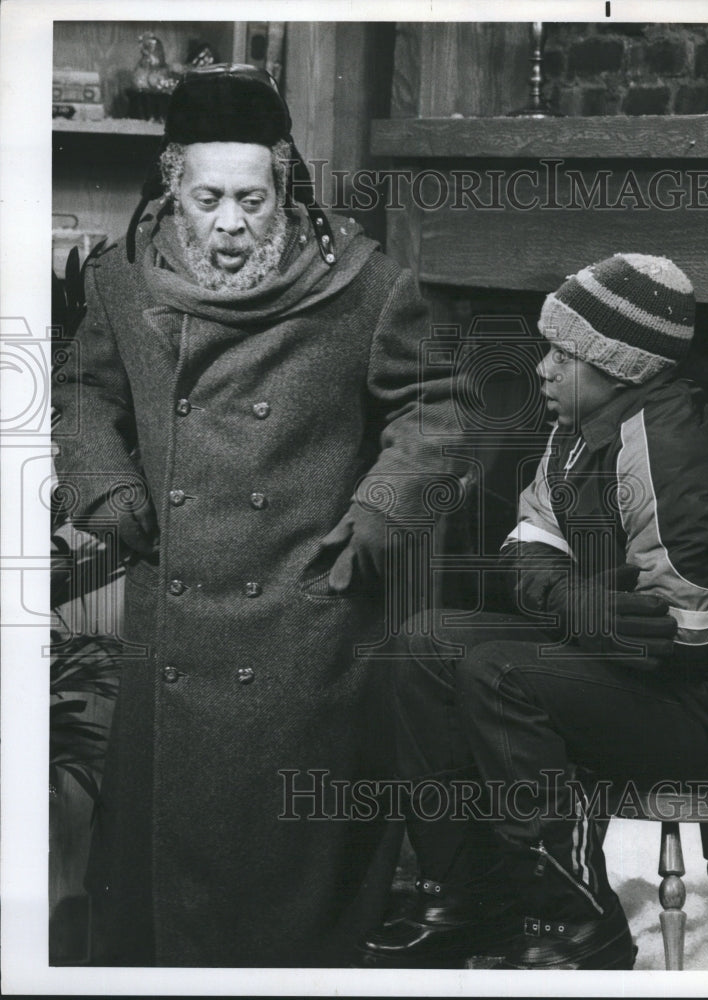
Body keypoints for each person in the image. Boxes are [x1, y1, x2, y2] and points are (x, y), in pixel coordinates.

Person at [52, 64, 463, 967]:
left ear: (284, 184)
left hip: (305, 618)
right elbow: (83, 394)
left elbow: (438, 410)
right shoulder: (123, 283)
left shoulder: (366, 286)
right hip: (177, 615)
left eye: (251, 196)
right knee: (166, 909)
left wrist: (382, 511)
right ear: (172, 185)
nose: (231, 225)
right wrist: (107, 486)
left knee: (287, 900)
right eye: (208, 198)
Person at [356, 253, 708, 970]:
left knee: (498, 670)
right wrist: (572, 602)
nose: (542, 368)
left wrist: (579, 609)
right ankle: (470, 898)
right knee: (425, 642)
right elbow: (528, 540)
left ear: (621, 366)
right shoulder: (577, 424)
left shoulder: (667, 446)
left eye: (564, 354)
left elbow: (690, 635)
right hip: (625, 660)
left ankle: (576, 919)